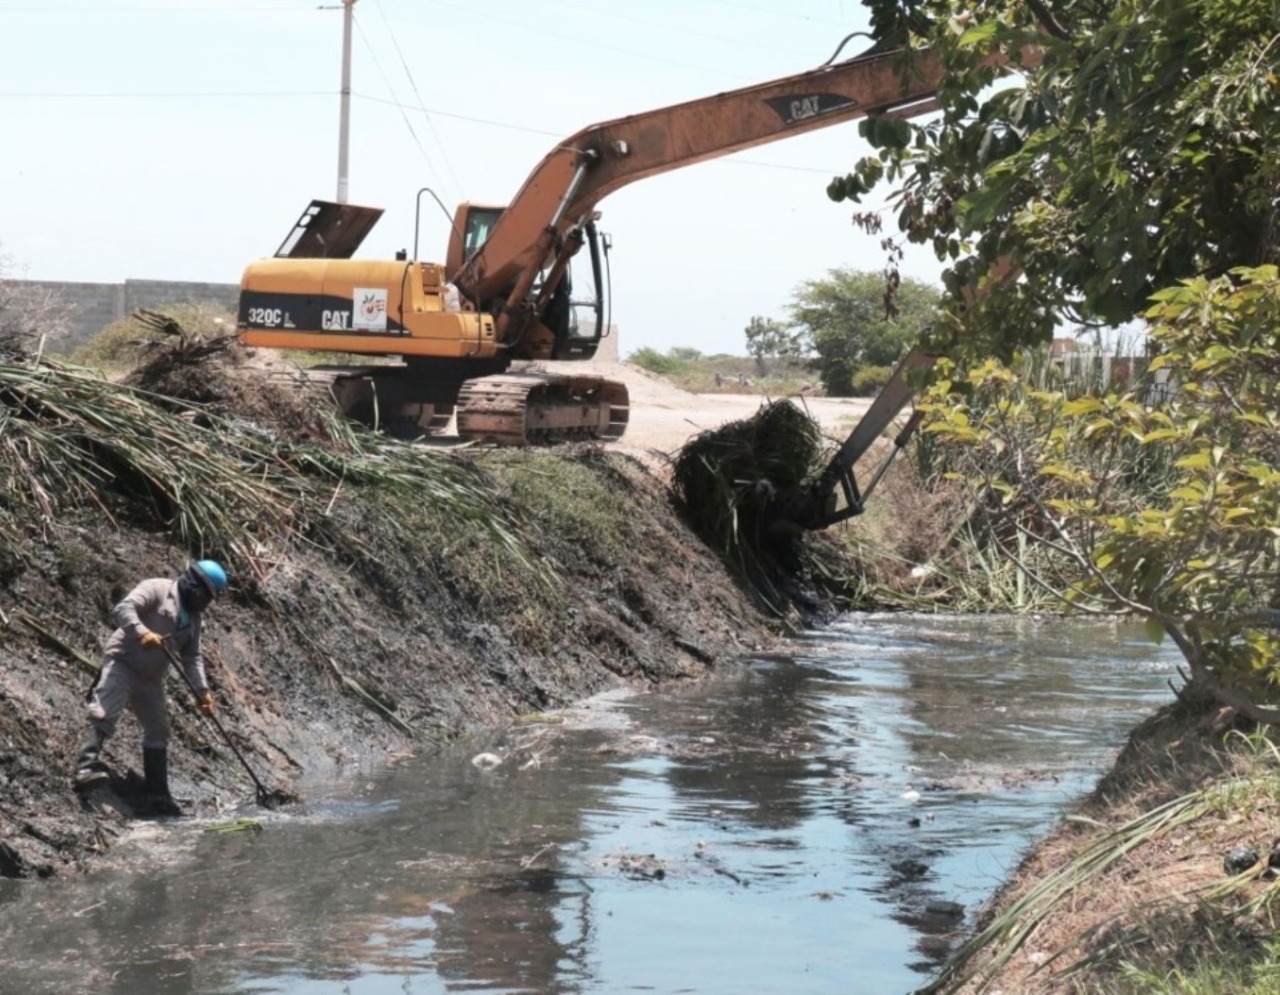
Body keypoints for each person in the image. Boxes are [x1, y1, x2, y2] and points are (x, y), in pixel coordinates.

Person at [73, 559, 228, 816]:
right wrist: (141, 632)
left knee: (158, 730)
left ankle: (157, 793)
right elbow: (124, 608)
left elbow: (192, 657)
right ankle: (85, 768)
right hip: (124, 660)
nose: (205, 603)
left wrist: (202, 691)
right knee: (104, 712)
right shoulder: (157, 589)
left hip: (150, 677)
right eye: (205, 596)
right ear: (193, 585)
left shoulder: (194, 619)